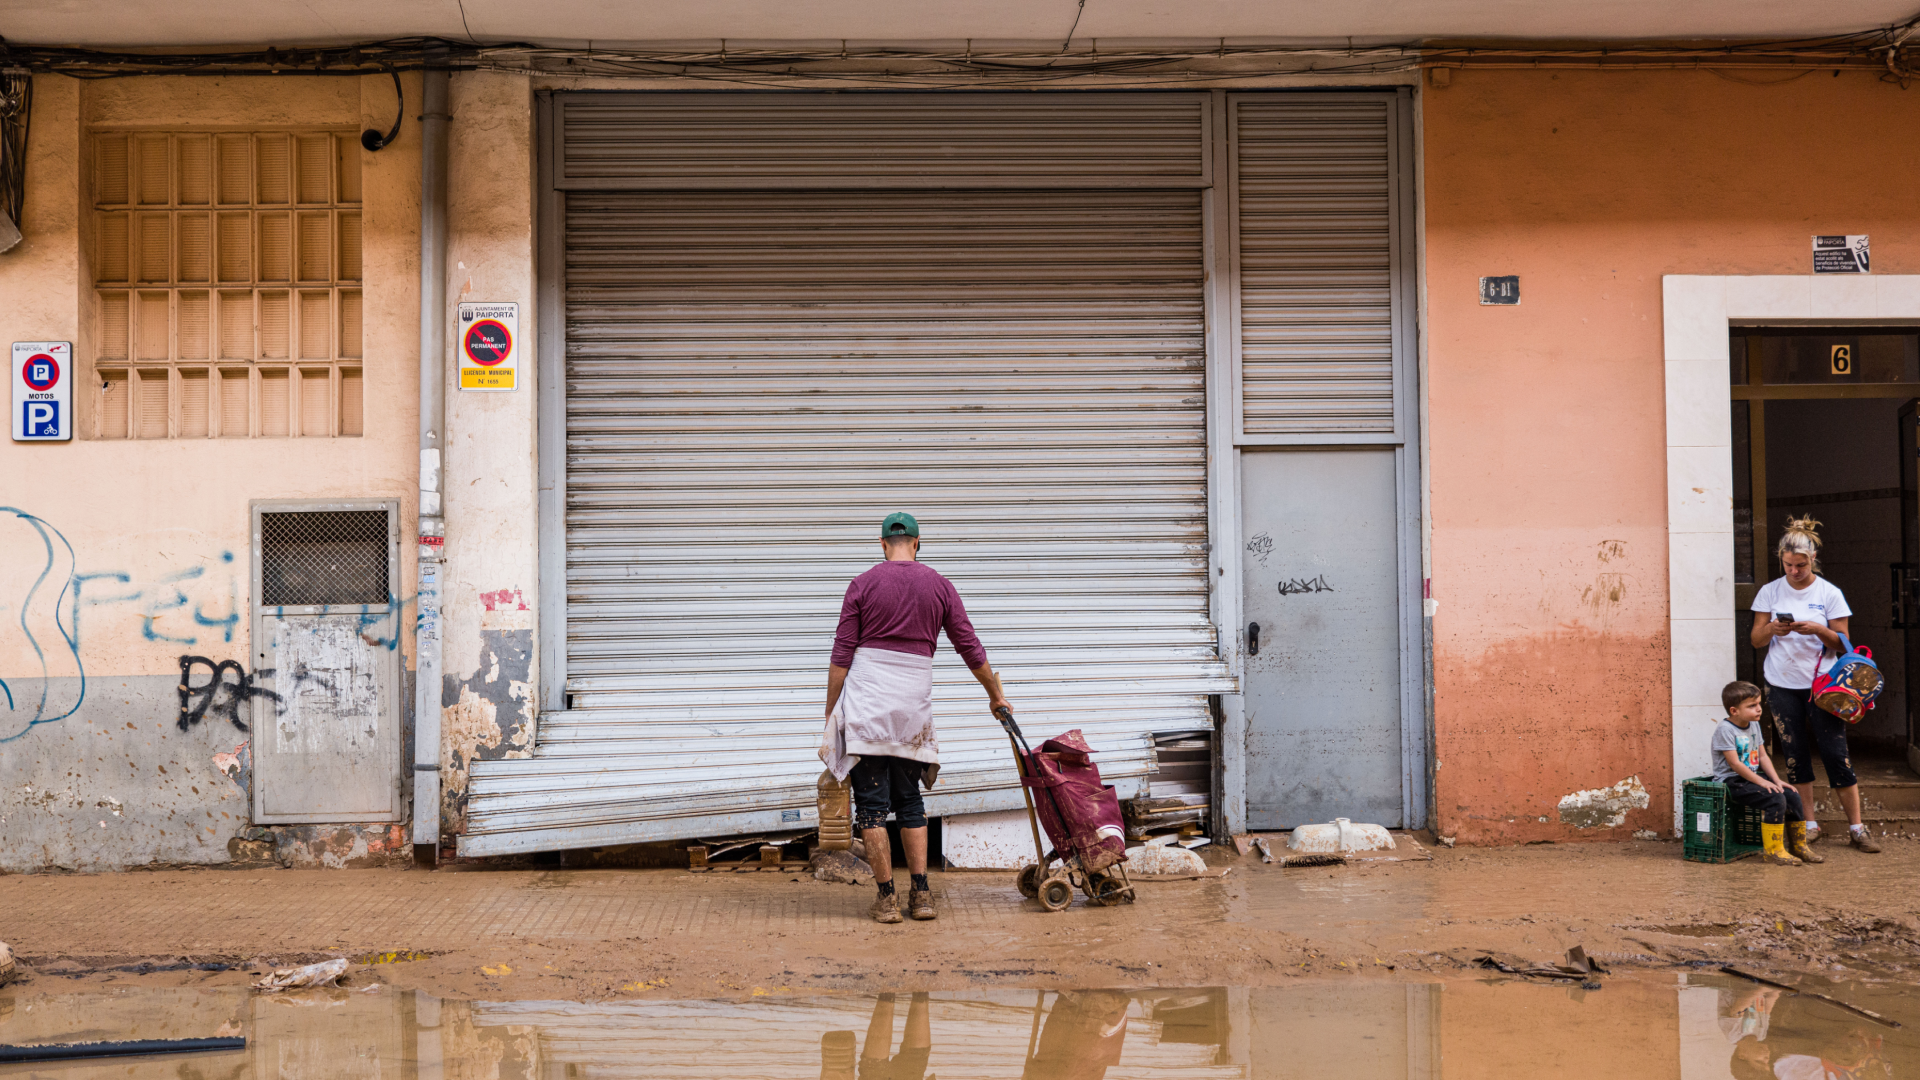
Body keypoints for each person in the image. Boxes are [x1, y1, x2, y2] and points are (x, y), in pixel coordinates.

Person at [822, 512, 1010, 924]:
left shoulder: (862, 584)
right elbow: (970, 648)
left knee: (871, 806)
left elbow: (840, 658)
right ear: (918, 542)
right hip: (912, 711)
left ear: (882, 543)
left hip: (868, 709)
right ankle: (921, 896)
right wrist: (995, 695)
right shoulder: (939, 586)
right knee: (910, 802)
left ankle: (887, 900)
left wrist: (830, 711)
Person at [1747, 517, 1879, 853]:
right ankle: (1809, 825)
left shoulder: (1829, 593)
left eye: (1801, 565)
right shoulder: (1769, 591)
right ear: (1782, 560)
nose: (1794, 571)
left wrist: (1818, 630)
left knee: (1836, 753)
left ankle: (1857, 827)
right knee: (1795, 755)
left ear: (1813, 559)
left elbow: (1843, 643)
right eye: (1789, 565)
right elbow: (1755, 639)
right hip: (1781, 682)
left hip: (1825, 687)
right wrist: (1773, 630)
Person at [1715, 681, 1821, 866]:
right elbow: (1735, 764)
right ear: (1734, 711)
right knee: (1775, 799)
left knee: (1792, 795)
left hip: (1751, 778)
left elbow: (1762, 756)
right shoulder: (1725, 730)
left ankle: (1799, 846)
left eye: (1758, 704)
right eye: (1752, 706)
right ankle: (1774, 851)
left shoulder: (1753, 725)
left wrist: (1776, 780)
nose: (1759, 709)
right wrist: (1763, 783)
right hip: (1732, 781)